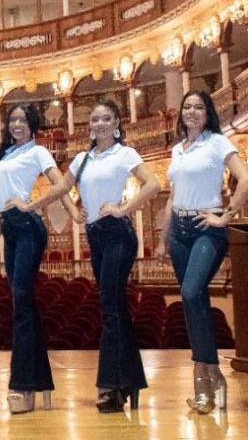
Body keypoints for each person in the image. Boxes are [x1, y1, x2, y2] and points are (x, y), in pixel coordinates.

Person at [29, 99, 159, 412]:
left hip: (118, 233)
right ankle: (131, 380)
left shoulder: (125, 153)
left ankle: (109, 384)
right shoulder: (83, 159)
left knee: (109, 307)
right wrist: (65, 210)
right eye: (95, 119)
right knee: (114, 307)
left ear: (117, 124)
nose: (99, 124)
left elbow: (153, 184)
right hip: (95, 235)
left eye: (105, 119)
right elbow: (62, 189)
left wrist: (124, 208)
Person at [153, 91, 248, 414]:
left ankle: (204, 374)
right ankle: (212, 378)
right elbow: (172, 197)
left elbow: (247, 179)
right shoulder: (177, 150)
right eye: (187, 107)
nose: (192, 112)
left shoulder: (217, 143)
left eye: (198, 107)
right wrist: (162, 239)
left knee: (192, 290)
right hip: (180, 231)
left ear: (208, 113)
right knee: (193, 301)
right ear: (180, 114)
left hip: (206, 227)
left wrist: (225, 215)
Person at [0, 102, 73, 413]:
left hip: (29, 227)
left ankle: (22, 384)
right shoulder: (5, 154)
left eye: (23, 120)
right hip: (10, 228)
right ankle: (39, 382)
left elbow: (62, 184)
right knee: (24, 305)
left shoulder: (38, 152)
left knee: (22, 299)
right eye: (13, 119)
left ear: (33, 125)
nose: (16, 124)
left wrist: (33, 205)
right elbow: (1, 203)